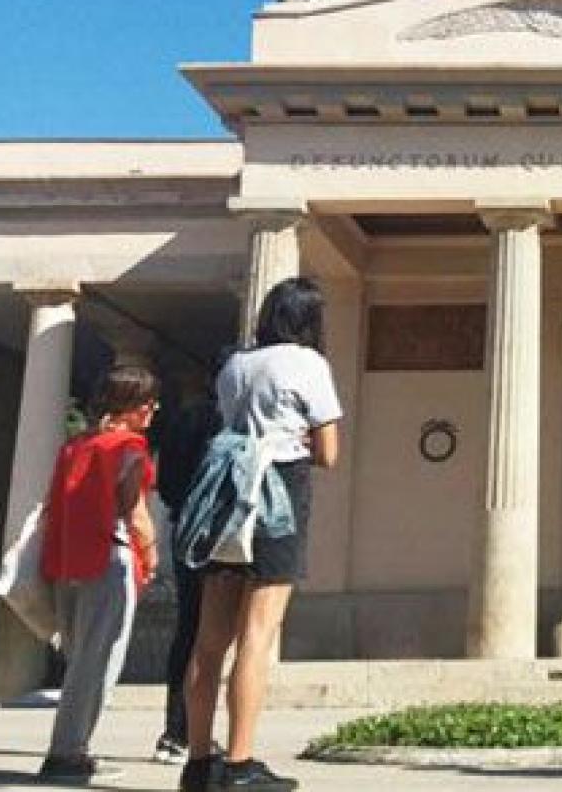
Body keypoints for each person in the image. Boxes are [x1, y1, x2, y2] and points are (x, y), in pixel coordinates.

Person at [181, 278, 343, 792]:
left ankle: (199, 761)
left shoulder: (236, 365)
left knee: (209, 642)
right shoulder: (308, 364)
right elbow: (328, 451)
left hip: (226, 495)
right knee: (257, 635)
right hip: (277, 493)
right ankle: (242, 762)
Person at [36, 365, 161, 784]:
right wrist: (152, 551)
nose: (153, 410)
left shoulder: (76, 446)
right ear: (133, 408)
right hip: (109, 560)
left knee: (79, 659)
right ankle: (68, 752)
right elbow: (135, 510)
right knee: (99, 661)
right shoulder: (128, 448)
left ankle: (71, 747)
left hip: (68, 561)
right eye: (148, 403)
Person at [149, 356, 226, 764]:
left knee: (188, 628)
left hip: (183, 528)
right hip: (219, 534)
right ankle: (193, 734)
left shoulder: (182, 420)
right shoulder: (227, 422)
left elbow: (163, 484)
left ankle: (175, 731)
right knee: (211, 634)